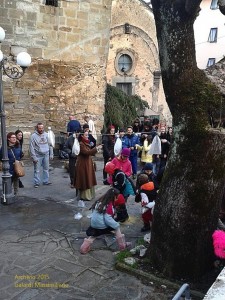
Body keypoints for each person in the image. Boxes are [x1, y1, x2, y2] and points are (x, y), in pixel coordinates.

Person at [80, 188, 131, 254]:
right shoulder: (108, 206)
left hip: (94, 224)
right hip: (102, 225)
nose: (117, 199)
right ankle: (123, 246)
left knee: (94, 235)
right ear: (113, 197)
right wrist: (116, 224)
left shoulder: (99, 202)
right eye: (116, 197)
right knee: (117, 228)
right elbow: (108, 219)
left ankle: (83, 248)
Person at [74, 130, 102, 204]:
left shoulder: (86, 143)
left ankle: (89, 195)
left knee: (88, 178)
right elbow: (86, 152)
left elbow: (89, 152)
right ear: (82, 136)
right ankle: (84, 196)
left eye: (88, 135)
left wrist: (96, 149)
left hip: (87, 163)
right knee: (84, 178)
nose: (87, 136)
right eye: (86, 135)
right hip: (83, 164)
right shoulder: (81, 144)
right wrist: (96, 148)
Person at [29, 123, 54, 188]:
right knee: (37, 170)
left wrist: (51, 154)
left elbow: (50, 144)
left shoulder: (47, 135)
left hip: (46, 154)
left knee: (46, 168)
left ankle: (46, 181)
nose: (41, 129)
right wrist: (33, 157)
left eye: (42, 128)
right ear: (37, 128)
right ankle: (36, 182)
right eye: (39, 128)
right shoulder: (33, 136)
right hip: (37, 155)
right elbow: (31, 147)